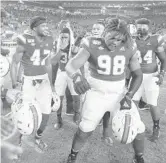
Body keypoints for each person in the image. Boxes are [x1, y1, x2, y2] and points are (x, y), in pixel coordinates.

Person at [65, 18, 145, 163]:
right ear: (104, 33)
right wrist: (77, 77)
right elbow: (71, 65)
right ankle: (73, 155)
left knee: (138, 127)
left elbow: (138, 74)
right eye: (112, 37)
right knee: (85, 129)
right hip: (96, 94)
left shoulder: (129, 46)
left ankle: (139, 157)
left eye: (120, 40)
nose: (115, 42)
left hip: (119, 94)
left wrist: (129, 95)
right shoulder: (92, 44)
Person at [10, 16, 55, 153]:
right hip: (28, 80)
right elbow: (14, 63)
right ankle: (18, 141)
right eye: (43, 26)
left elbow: (48, 64)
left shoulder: (49, 40)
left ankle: (37, 137)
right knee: (24, 113)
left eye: (47, 25)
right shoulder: (24, 40)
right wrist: (14, 84)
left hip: (44, 81)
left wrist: (52, 84)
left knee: (46, 112)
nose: (46, 28)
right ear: (34, 28)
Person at [133, 18, 166, 142]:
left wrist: (162, 73)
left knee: (152, 103)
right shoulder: (132, 41)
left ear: (149, 28)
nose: (141, 29)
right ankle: (135, 125)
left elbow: (163, 60)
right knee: (133, 103)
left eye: (144, 27)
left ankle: (156, 128)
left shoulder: (155, 40)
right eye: (139, 27)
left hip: (151, 76)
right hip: (136, 76)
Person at [51, 27, 80, 129]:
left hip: (72, 72)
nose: (63, 39)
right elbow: (53, 62)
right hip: (61, 73)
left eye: (66, 37)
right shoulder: (57, 45)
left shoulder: (73, 46)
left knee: (76, 96)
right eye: (62, 37)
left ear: (70, 38)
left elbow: (75, 54)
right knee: (58, 98)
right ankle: (59, 119)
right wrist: (61, 49)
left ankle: (77, 114)